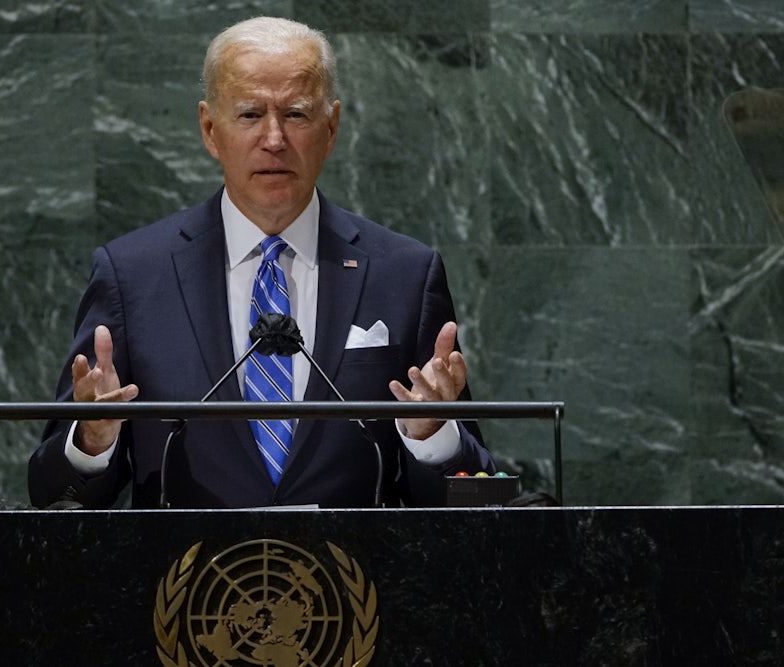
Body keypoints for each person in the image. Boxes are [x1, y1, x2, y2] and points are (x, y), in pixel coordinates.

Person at [28, 16, 496, 509]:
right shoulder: (133, 276)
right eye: (250, 115)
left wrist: (433, 434)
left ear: (331, 127)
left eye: (295, 114)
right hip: (186, 580)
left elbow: (476, 491)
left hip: (356, 580)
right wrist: (92, 441)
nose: (274, 139)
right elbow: (52, 498)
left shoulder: (404, 274)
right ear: (210, 130)